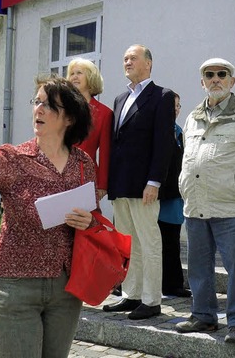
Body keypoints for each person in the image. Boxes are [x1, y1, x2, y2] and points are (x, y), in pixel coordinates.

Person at [0, 76, 97, 357]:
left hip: (66, 288)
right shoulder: (11, 159)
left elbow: (91, 218)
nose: (39, 110)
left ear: (69, 118)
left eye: (49, 105)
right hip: (17, 286)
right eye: (37, 102)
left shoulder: (82, 163)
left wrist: (88, 221)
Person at [174, 58, 235, 344]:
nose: (215, 79)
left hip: (232, 208)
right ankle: (203, 315)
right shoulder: (191, 117)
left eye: (221, 74)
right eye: (209, 75)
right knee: (198, 266)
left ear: (231, 81)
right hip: (196, 204)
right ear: (202, 82)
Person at [102, 44, 175, 320]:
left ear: (149, 64)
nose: (128, 62)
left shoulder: (162, 96)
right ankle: (131, 295)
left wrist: (154, 181)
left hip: (145, 184)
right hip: (121, 184)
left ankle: (151, 300)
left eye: (133, 58)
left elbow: (163, 143)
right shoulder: (121, 98)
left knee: (148, 241)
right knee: (128, 244)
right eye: (125, 59)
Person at [158, 91, 190, 298]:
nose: (176, 110)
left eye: (179, 106)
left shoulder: (179, 131)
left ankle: (172, 283)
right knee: (156, 242)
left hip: (175, 196)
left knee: (171, 241)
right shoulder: (158, 130)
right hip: (158, 195)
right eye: (173, 106)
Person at [66, 58, 113, 200]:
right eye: (72, 73)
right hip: (56, 173)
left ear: (91, 77)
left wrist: (102, 185)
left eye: (79, 73)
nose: (74, 76)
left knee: (84, 220)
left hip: (85, 177)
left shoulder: (104, 113)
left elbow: (105, 152)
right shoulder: (61, 109)